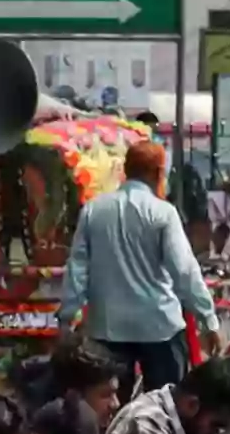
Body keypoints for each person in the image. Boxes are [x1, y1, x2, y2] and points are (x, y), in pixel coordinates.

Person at [61, 139, 217, 390]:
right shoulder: (163, 213)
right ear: (157, 173)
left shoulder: (94, 210)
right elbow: (184, 271)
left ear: (127, 170)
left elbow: (77, 268)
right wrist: (208, 319)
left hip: (108, 329)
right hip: (159, 328)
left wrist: (66, 319)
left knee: (111, 406)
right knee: (166, 405)